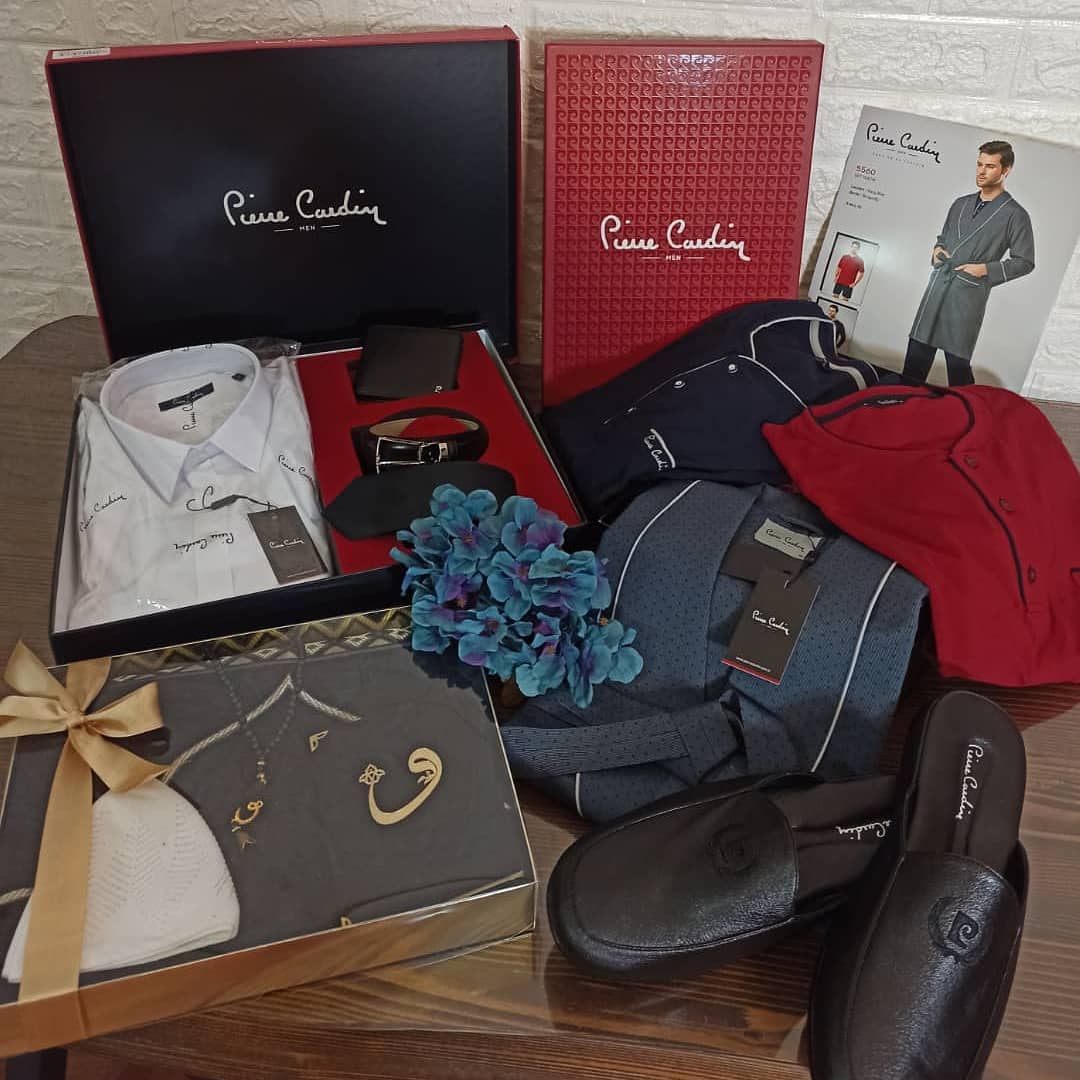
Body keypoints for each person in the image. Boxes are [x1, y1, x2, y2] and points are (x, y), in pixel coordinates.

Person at [903, 140, 1035, 386]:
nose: (981, 171)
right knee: (914, 359)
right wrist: (937, 251)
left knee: (958, 367)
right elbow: (943, 237)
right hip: (938, 286)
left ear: (1006, 170)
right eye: (979, 164)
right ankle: (903, 401)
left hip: (967, 294)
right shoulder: (960, 204)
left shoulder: (1016, 215)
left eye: (990, 166)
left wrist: (984, 269)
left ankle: (969, 406)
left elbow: (1025, 261)